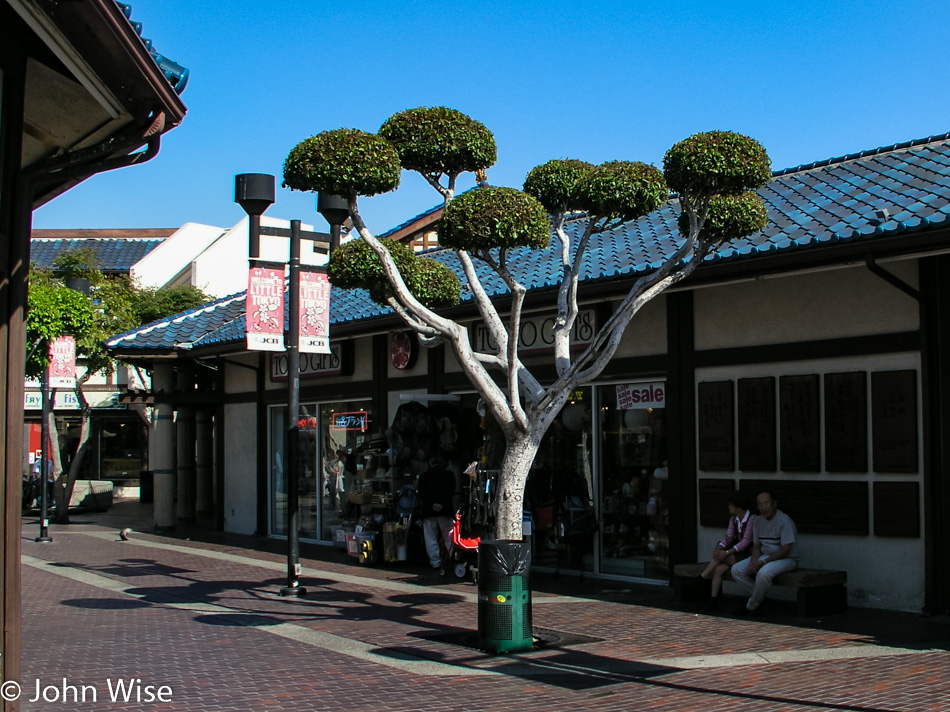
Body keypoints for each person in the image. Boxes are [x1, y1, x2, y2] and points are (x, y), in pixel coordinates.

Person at [731, 490, 799, 615]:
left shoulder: (784, 521)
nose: (764, 507)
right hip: (764, 556)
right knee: (736, 570)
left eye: (766, 503)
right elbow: (757, 545)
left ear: (774, 503)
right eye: (760, 505)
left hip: (786, 559)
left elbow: (785, 550)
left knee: (763, 573)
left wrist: (762, 562)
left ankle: (751, 606)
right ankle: (762, 599)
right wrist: (753, 561)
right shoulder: (757, 521)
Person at [700, 490, 755, 609]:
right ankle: (713, 600)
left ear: (738, 506)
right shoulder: (734, 519)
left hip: (749, 554)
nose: (728, 506)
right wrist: (720, 547)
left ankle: (703, 577)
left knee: (721, 556)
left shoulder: (752, 519)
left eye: (731, 504)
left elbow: (746, 541)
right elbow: (729, 537)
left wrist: (726, 552)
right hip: (735, 553)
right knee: (719, 569)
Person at [416, 455, 456, 569]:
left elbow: (422, 494)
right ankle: (450, 558)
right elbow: (451, 492)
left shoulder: (424, 476)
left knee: (430, 537)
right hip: (445, 510)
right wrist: (442, 504)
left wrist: (431, 504)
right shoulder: (449, 475)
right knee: (449, 536)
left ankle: (435, 562)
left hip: (429, 511)